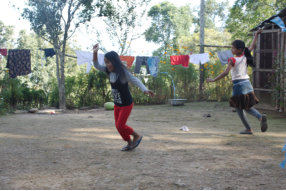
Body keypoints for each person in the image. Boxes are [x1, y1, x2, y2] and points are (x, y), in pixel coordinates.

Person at [93, 44, 155, 150]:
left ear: (114, 61)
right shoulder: (108, 71)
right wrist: (95, 52)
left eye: (108, 62)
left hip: (126, 104)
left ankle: (136, 135)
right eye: (106, 62)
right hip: (117, 104)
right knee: (118, 126)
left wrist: (144, 89)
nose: (107, 65)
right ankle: (129, 142)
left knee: (120, 125)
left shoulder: (123, 73)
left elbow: (135, 80)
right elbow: (96, 65)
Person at [206, 29, 268, 135]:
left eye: (233, 48)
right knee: (245, 107)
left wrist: (213, 80)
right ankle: (255, 122)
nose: (232, 49)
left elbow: (226, 73)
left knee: (240, 108)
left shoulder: (233, 59)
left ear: (239, 49)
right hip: (247, 84)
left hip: (239, 85)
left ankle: (254, 123)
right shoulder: (245, 55)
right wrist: (256, 35)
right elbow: (252, 46)